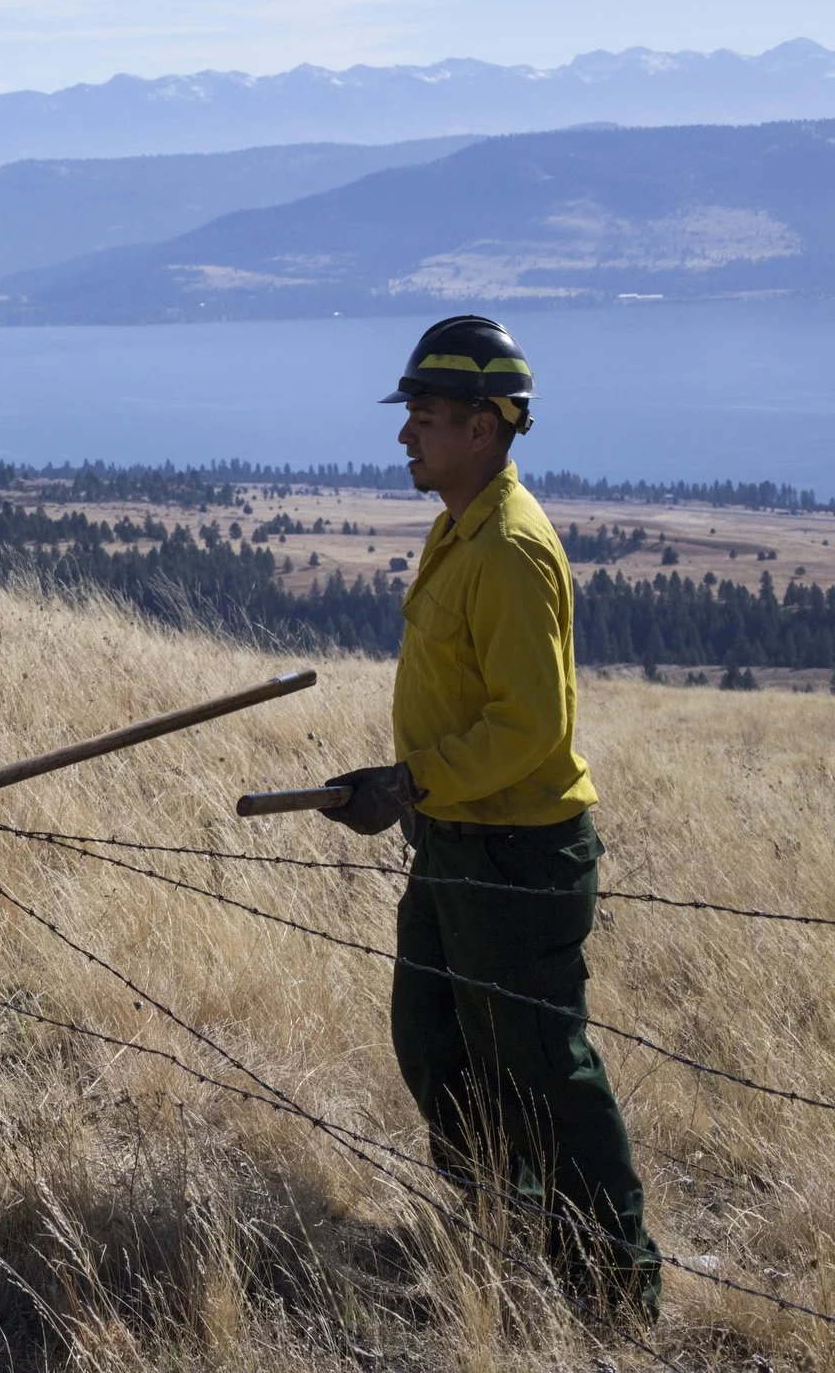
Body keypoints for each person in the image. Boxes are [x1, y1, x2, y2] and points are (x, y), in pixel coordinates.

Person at [319, 314, 659, 1311]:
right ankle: (502, 1225)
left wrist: (411, 783)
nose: (404, 436)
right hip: (460, 843)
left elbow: (533, 729)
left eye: (422, 416)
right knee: (434, 1038)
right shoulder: (459, 526)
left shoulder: (509, 549)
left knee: (544, 1070)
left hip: (517, 856)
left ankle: (614, 1283)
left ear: (485, 425)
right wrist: (412, 790)